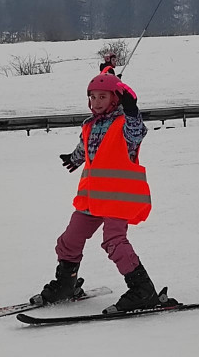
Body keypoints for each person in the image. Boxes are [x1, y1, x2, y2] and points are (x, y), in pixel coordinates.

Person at [37, 73, 175, 314]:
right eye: (92, 97)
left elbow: (137, 133)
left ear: (114, 100)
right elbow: (85, 146)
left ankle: (143, 290)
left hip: (118, 198)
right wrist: (74, 158)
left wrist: (132, 111)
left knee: (113, 241)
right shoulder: (90, 124)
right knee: (69, 240)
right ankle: (66, 285)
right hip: (91, 197)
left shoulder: (124, 124)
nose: (96, 101)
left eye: (102, 96)